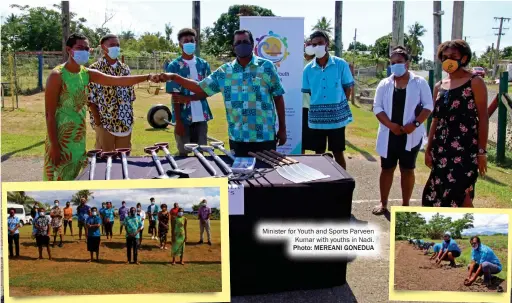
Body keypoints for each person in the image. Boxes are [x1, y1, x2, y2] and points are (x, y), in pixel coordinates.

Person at [44, 33, 158, 181]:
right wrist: (54, 146)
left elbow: (118, 81)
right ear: (68, 50)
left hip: (78, 136)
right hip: (60, 137)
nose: (84, 51)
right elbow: (49, 114)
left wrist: (148, 76)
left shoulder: (86, 73)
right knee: (59, 177)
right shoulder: (57, 75)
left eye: (86, 48)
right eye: (79, 48)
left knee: (77, 176)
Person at [160, 29, 287, 156]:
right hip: (238, 137)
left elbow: (278, 97)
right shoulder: (224, 71)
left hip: (264, 135)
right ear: (233, 47)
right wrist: (175, 77)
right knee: (240, 172)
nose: (242, 45)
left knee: (267, 173)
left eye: (245, 42)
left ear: (252, 44)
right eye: (238, 43)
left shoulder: (267, 67)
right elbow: (200, 87)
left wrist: (282, 129)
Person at [423, 39, 488, 207]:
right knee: (436, 195)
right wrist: (428, 149)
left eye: (453, 56)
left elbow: (483, 118)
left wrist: (481, 152)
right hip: (441, 150)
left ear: (464, 58)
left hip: (466, 151)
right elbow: (435, 120)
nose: (448, 60)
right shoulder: (439, 86)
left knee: (462, 196)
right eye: (444, 57)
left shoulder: (475, 82)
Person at [371, 46, 433, 215]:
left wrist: (415, 124)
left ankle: (405, 206)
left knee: (407, 170)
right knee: (386, 169)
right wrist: (390, 125)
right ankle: (383, 203)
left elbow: (428, 106)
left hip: (411, 134)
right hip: (389, 134)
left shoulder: (419, 82)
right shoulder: (384, 83)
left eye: (399, 62)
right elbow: (377, 107)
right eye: (392, 63)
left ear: (407, 63)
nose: (395, 65)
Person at [301, 30, 355, 169]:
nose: (317, 46)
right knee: (318, 154)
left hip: (337, 119)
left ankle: (343, 185)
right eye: (314, 44)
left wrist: (339, 106)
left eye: (320, 43)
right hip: (317, 120)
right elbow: (310, 93)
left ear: (327, 44)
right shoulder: (308, 70)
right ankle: (320, 184)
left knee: (338, 153)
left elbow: (348, 87)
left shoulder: (340, 64)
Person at [166, 28, 213, 156]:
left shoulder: (203, 65)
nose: (189, 43)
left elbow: (209, 91)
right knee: (183, 153)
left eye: (191, 40)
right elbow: (175, 96)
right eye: (185, 41)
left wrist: (189, 99)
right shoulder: (174, 66)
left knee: (201, 153)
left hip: (201, 115)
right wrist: (178, 123)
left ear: (196, 42)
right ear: (180, 44)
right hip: (183, 116)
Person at [88, 34, 136, 151]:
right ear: (103, 47)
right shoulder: (95, 69)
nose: (116, 48)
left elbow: (130, 96)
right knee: (105, 159)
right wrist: (99, 123)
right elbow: (90, 100)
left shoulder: (125, 69)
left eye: (118, 45)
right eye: (112, 45)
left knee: (123, 159)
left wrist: (128, 117)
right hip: (105, 123)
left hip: (125, 123)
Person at [302, 38, 316, 154]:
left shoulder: (318, 62)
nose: (310, 46)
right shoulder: (296, 60)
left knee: (317, 143)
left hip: (314, 107)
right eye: (308, 44)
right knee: (300, 141)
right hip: (300, 107)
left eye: (313, 45)